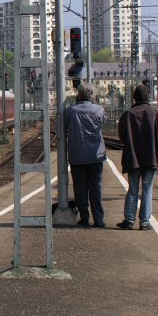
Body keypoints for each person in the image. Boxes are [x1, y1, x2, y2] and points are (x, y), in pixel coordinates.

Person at [117, 84, 158, 231]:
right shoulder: (156, 112)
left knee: (132, 189)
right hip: (150, 157)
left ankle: (129, 220)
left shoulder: (127, 115)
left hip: (133, 157)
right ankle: (144, 222)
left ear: (134, 98)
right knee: (147, 189)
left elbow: (122, 136)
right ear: (147, 97)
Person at [63, 82, 108, 227]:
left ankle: (84, 217)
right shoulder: (99, 110)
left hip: (77, 156)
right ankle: (99, 219)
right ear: (92, 95)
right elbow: (103, 122)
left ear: (79, 94)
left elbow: (65, 126)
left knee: (80, 188)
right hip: (96, 155)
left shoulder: (70, 111)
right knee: (96, 188)